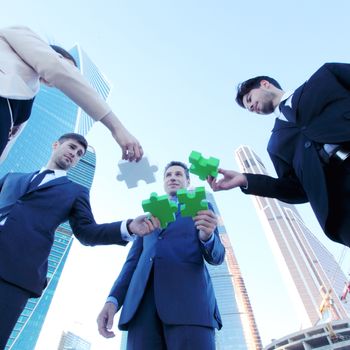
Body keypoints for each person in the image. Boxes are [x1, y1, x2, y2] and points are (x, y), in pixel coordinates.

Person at [0, 133, 158, 349]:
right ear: (56, 145)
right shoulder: (11, 177)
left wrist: (129, 226)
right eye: (71, 147)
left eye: (79, 154)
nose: (74, 154)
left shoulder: (75, 192)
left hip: (14, 275)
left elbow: (88, 232)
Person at [208, 63, 350, 247]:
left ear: (265, 84)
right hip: (342, 205)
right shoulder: (275, 145)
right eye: (248, 107)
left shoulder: (326, 76)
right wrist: (245, 179)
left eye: (250, 98)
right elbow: (296, 190)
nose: (251, 107)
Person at [97, 161, 225, 350]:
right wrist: (113, 300)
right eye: (168, 175)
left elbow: (218, 256)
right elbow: (132, 263)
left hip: (189, 306)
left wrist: (207, 237)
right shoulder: (147, 218)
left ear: (187, 181)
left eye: (178, 174)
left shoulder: (201, 208)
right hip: (142, 311)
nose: (173, 177)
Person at [0, 25, 142, 162]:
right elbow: (56, 68)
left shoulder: (27, 92)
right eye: (68, 68)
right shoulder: (18, 33)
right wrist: (117, 128)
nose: (66, 76)